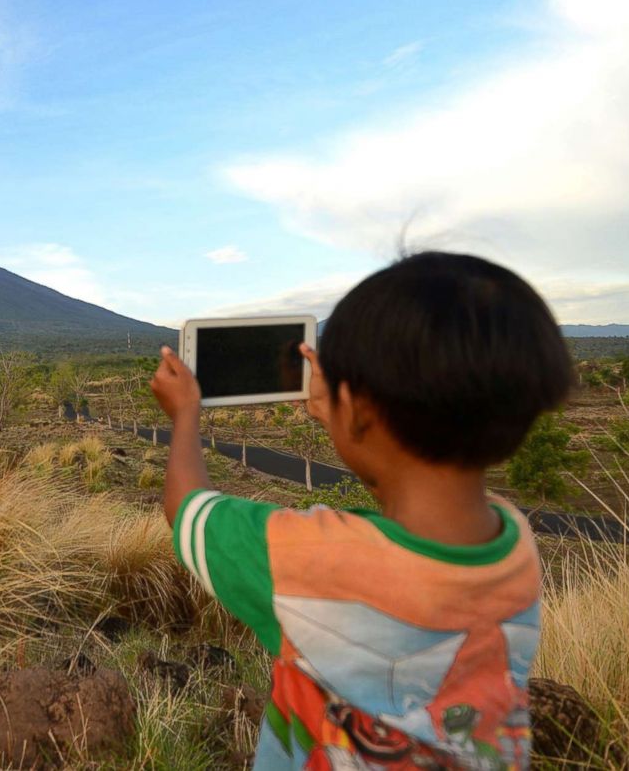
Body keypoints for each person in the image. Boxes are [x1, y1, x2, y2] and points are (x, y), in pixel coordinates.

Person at [149, 252, 573, 770]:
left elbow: (189, 509)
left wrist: (186, 414)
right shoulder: (515, 547)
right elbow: (417, 499)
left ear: (363, 408)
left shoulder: (307, 558)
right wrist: (351, 418)